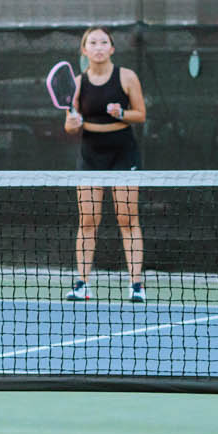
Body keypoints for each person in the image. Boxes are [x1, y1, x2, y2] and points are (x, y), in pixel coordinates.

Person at [63, 25, 148, 302]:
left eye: (103, 42)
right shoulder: (77, 83)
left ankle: (136, 285)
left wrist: (122, 112)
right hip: (90, 154)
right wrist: (72, 122)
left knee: (127, 219)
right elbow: (69, 127)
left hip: (123, 153)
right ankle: (82, 284)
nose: (98, 47)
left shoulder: (127, 77)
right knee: (88, 220)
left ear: (112, 48)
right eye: (92, 43)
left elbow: (141, 114)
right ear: (84, 50)